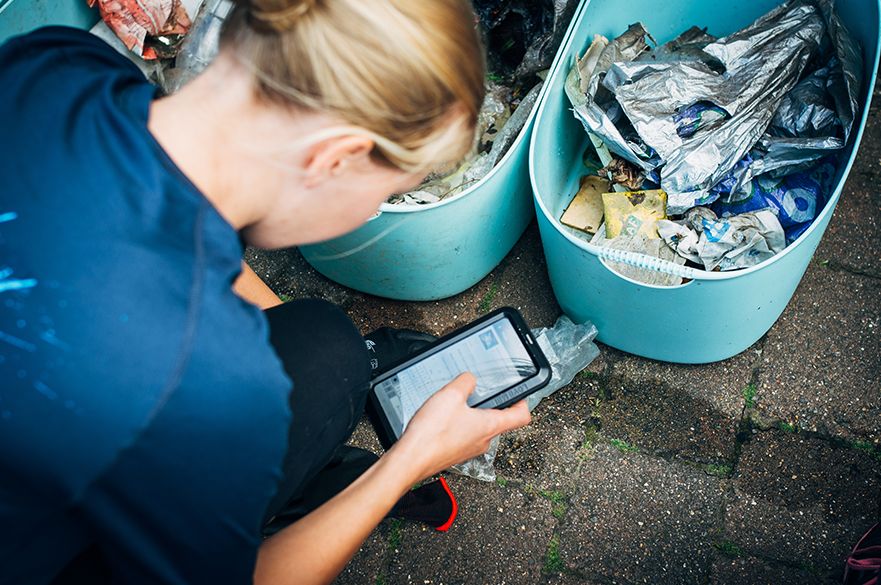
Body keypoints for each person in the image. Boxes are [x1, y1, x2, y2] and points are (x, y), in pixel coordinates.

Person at [0, 1, 532, 584]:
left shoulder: (59, 65)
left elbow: (167, 224)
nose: (366, 214)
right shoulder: (216, 387)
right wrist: (410, 462)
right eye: (387, 190)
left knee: (326, 344)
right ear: (334, 157)